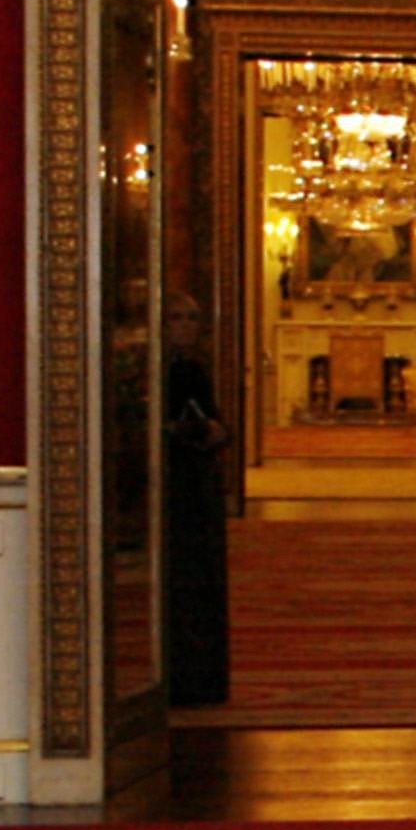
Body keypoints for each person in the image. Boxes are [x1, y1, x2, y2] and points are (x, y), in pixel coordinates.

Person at [161, 293, 231, 711]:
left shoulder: (193, 369)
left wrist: (214, 429)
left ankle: (200, 676)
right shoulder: (155, 370)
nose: (186, 325)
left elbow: (213, 418)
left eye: (193, 317)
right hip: (171, 483)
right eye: (177, 317)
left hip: (197, 482)